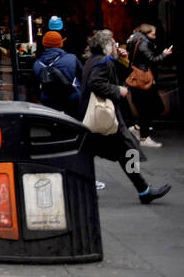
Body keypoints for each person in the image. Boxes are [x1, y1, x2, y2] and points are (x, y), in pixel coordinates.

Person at [79, 29, 169, 204]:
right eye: (113, 43)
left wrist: (122, 57)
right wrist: (118, 90)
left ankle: (142, 189)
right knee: (130, 151)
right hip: (108, 118)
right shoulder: (103, 62)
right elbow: (96, 83)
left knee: (100, 152)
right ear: (106, 46)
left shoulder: (94, 60)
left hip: (99, 117)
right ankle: (143, 190)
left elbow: (121, 71)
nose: (116, 45)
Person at [126, 24, 173, 149]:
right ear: (146, 33)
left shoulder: (134, 39)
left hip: (139, 77)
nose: (155, 36)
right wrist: (164, 54)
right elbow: (152, 59)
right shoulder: (143, 43)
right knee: (150, 108)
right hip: (143, 79)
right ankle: (144, 137)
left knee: (149, 107)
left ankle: (138, 128)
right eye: (153, 34)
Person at [31, 31, 81, 118]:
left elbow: (35, 88)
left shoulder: (37, 64)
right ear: (61, 44)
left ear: (44, 45)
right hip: (72, 100)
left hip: (49, 103)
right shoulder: (72, 58)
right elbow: (83, 77)